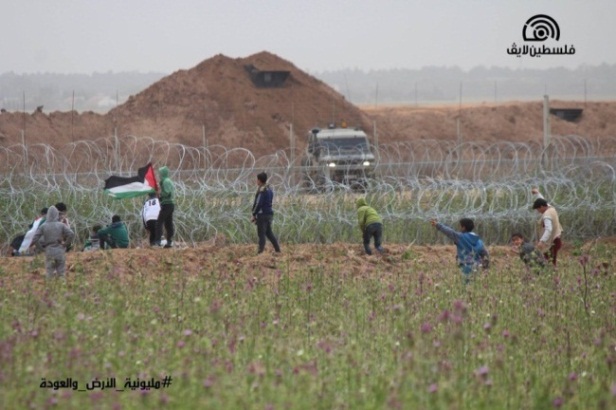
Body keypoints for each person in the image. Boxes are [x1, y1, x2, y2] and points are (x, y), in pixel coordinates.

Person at [30, 206, 75, 279]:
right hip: (60, 250)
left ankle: (50, 289)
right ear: (57, 214)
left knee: (49, 273)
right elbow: (71, 234)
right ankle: (62, 289)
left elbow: (34, 239)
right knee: (61, 273)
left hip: (49, 250)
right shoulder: (61, 225)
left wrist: (41, 249)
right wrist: (65, 244)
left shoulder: (43, 226)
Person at [251, 172, 281, 254]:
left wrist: (254, 214)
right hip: (269, 214)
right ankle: (278, 250)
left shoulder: (262, 190)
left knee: (261, 234)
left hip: (262, 215)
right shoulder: (269, 190)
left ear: (259, 180)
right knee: (269, 233)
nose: (256, 181)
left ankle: (260, 253)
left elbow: (258, 203)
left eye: (257, 179)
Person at [532, 196, 563, 266]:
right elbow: (543, 200)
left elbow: (549, 229)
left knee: (549, 260)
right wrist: (537, 193)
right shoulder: (551, 208)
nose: (538, 211)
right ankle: (552, 273)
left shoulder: (547, 215)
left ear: (542, 207)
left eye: (538, 209)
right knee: (550, 259)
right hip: (556, 239)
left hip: (552, 242)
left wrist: (542, 241)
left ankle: (551, 274)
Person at [155, 166, 175, 248]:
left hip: (167, 204)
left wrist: (160, 194)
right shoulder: (166, 181)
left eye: (160, 173)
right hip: (169, 204)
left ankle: (158, 241)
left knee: (159, 222)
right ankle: (169, 241)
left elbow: (167, 193)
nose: (159, 175)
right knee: (168, 224)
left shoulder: (166, 181)